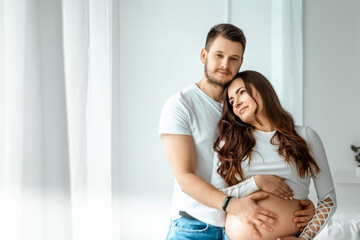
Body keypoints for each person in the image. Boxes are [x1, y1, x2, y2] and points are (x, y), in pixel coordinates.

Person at [159, 24, 315, 240]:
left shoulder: (242, 108)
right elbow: (185, 177)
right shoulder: (180, 106)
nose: (225, 64)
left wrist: (304, 206)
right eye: (219, 55)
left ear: (241, 62)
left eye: (234, 58)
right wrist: (232, 205)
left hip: (240, 226)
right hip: (195, 226)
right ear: (204, 55)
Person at [211, 70, 337, 240]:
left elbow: (328, 200)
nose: (237, 103)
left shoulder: (305, 136)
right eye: (231, 101)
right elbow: (216, 195)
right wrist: (256, 182)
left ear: (263, 90)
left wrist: (304, 238)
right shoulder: (228, 143)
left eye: (242, 92)